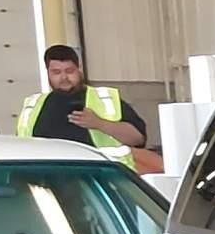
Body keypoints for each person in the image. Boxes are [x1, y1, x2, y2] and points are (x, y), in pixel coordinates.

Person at [17, 46, 148, 169]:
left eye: (69, 71)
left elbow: (138, 139)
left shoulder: (104, 99)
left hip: (99, 180)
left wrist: (100, 124)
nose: (64, 77)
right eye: (56, 72)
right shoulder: (33, 105)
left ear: (79, 69)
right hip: (47, 183)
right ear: (47, 73)